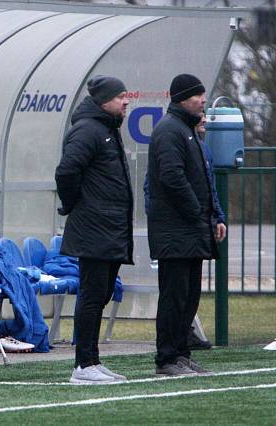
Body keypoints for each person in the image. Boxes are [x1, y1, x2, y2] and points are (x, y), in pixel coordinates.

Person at [55, 75, 133, 384]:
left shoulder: (107, 129)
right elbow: (66, 172)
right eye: (121, 96)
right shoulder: (88, 130)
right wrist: (74, 203)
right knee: (91, 295)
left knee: (100, 295)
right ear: (104, 101)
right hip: (94, 228)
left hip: (110, 229)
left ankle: (93, 360)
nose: (126, 101)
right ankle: (82, 365)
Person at [148, 74, 225, 376]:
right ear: (182, 98)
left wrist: (212, 217)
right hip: (175, 230)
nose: (203, 100)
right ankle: (166, 358)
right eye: (198, 95)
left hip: (191, 230)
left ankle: (181, 353)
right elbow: (172, 177)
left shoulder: (188, 130)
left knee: (189, 296)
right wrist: (197, 213)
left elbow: (203, 180)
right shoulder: (169, 131)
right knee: (174, 296)